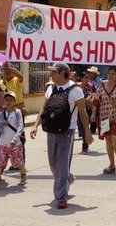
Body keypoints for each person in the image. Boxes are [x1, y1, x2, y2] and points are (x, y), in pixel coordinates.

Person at [30, 62, 93, 209]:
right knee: (53, 163)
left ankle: (61, 196)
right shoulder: (51, 89)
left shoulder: (75, 90)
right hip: (51, 129)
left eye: (54, 72)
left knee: (63, 164)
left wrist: (87, 133)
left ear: (62, 73)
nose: (51, 74)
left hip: (67, 132)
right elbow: (43, 108)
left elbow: (83, 114)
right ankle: (67, 179)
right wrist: (35, 125)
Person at [90, 66, 116, 175]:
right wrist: (93, 114)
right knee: (108, 139)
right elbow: (96, 101)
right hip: (104, 116)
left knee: (115, 137)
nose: (110, 76)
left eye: (113, 74)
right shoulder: (102, 86)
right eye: (109, 73)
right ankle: (111, 165)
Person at [0, 91, 27, 191]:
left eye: (11, 100)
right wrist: (2, 123)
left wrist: (14, 140)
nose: (8, 102)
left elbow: (20, 127)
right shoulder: (1, 113)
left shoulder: (17, 112)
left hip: (15, 144)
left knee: (18, 162)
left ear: (14, 101)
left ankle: (23, 174)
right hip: (2, 143)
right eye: (6, 100)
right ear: (4, 101)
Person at [3, 62, 26, 168]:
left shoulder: (16, 80)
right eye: (5, 71)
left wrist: (11, 68)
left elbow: (21, 76)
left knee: (19, 136)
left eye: (8, 71)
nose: (6, 73)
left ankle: (21, 161)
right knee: (10, 137)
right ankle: (14, 162)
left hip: (18, 110)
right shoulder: (3, 83)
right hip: (8, 111)